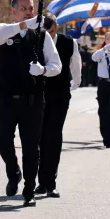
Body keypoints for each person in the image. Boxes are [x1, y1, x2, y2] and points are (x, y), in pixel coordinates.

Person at [0, 0, 62, 207]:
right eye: (23, 8)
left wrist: (42, 70)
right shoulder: (4, 30)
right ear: (13, 11)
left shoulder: (42, 36)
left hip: (32, 100)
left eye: (31, 8)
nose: (28, 11)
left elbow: (56, 65)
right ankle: (14, 171)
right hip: (6, 99)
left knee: (31, 147)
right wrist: (24, 24)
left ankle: (29, 189)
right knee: (3, 140)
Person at [36, 13, 81, 198]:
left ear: (56, 25)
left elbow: (75, 65)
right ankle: (40, 180)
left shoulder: (69, 42)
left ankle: (50, 183)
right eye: (45, 27)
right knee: (39, 137)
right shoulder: (36, 40)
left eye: (51, 26)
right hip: (39, 94)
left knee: (53, 136)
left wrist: (73, 85)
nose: (48, 30)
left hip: (60, 95)